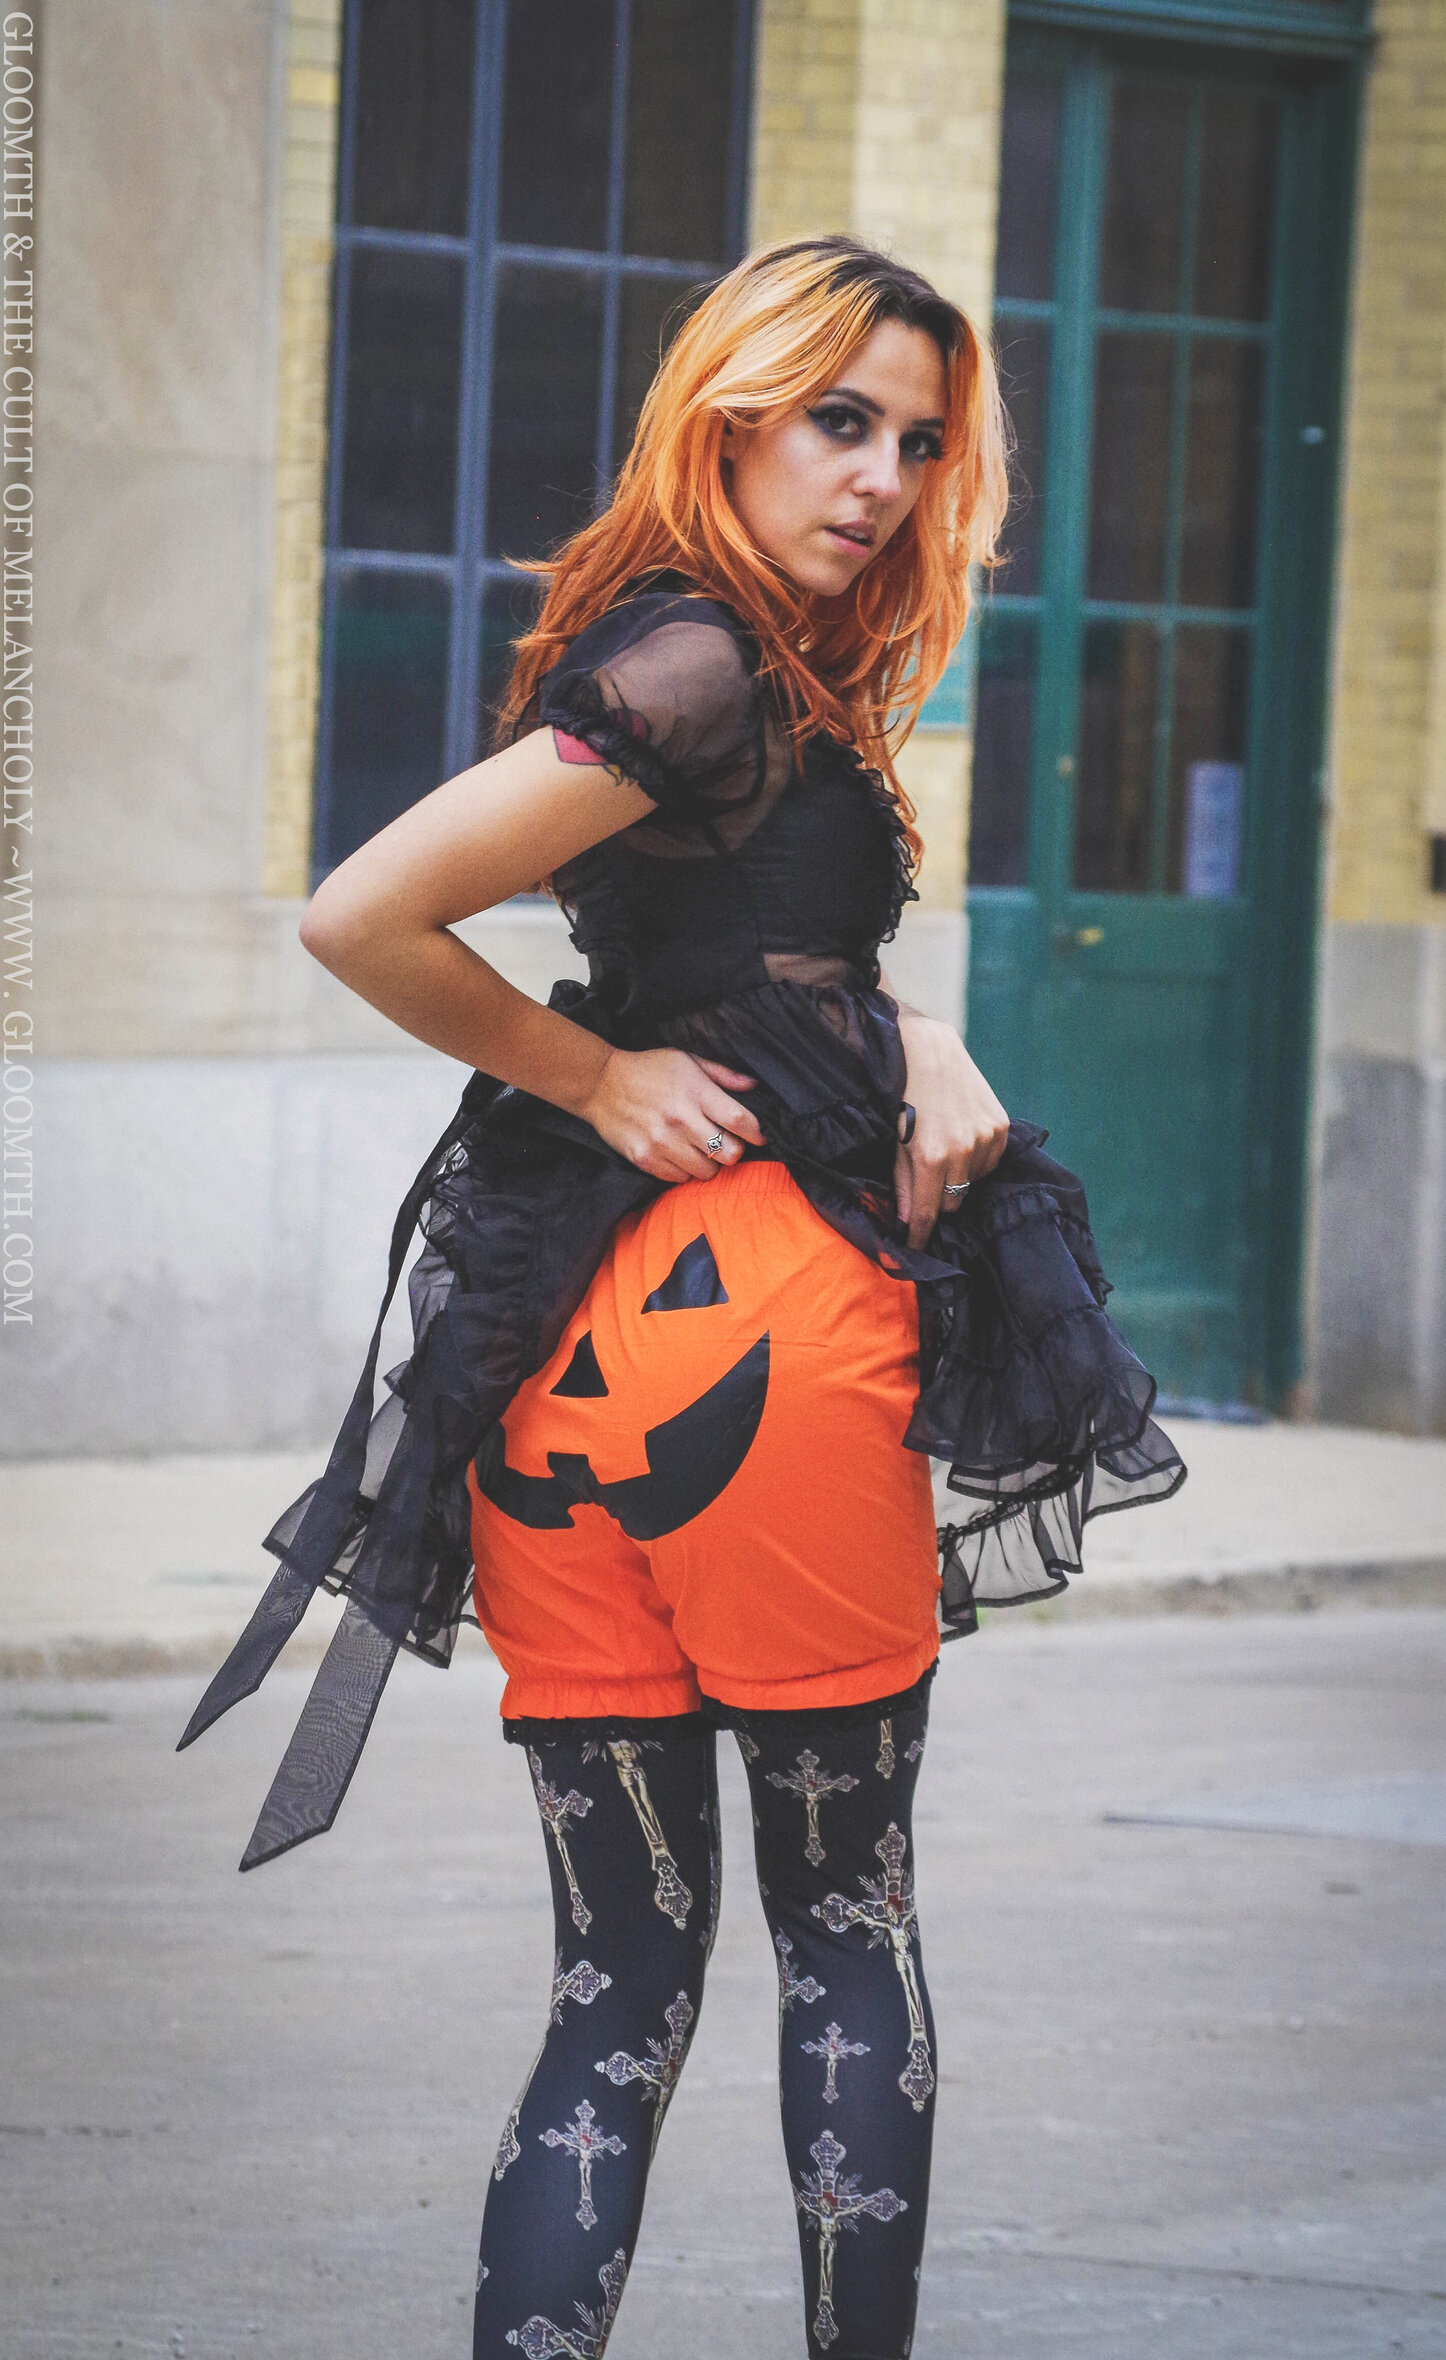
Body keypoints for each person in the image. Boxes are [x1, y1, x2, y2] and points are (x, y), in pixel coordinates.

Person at [181, 236, 1184, 2358]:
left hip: (562, 1375)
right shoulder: (702, 656)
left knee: (614, 1986)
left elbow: (738, 957)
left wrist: (908, 1032)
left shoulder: (693, 652)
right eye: (839, 420)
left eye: (920, 441)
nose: (883, 478)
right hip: (767, 1341)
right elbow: (362, 914)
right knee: (846, 1929)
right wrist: (591, 1074)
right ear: (726, 416)